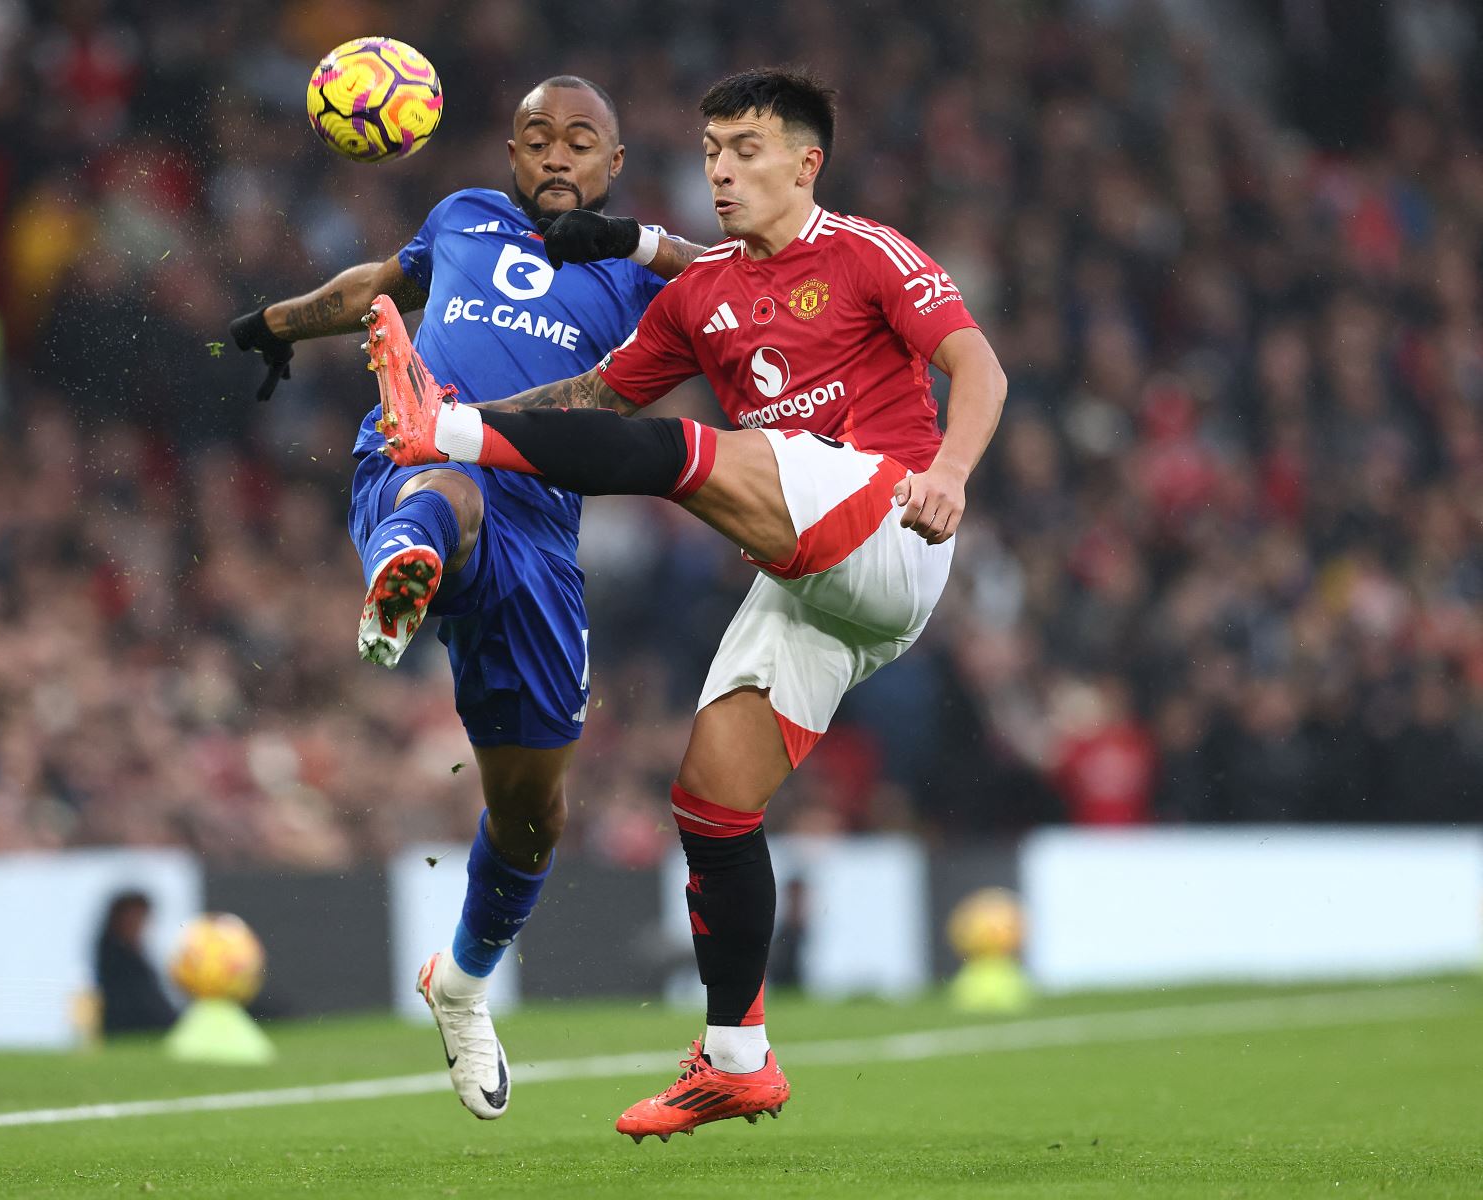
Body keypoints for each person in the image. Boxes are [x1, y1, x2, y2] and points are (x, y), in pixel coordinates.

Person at [364, 67, 1008, 1141]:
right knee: (710, 796)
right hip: (813, 583)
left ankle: (449, 436)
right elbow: (596, 403)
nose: (721, 168)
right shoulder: (701, 294)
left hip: (893, 522)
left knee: (695, 455)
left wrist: (952, 472)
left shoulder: (866, 252)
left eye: (747, 149)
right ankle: (736, 1060)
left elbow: (977, 367)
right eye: (712, 149)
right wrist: (467, 410)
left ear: (806, 162)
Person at [227, 77, 703, 1120]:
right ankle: (404, 569)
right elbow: (378, 289)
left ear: (614, 166)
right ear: (511, 154)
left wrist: (642, 242)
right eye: (536, 138)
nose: (556, 156)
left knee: (532, 814)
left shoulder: (641, 274)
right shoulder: (464, 218)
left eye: (582, 140)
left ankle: (463, 981)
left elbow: (747, 282)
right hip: (422, 447)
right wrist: (276, 323)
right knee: (442, 475)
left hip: (543, 525)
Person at [94, 890, 177, 1034]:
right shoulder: (119, 959)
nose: (139, 925)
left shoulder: (131, 955)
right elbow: (146, 1003)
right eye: (134, 918)